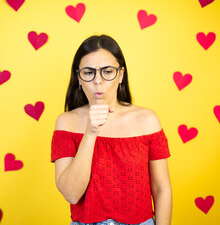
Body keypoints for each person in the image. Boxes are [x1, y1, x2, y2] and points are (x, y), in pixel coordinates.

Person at [51, 35, 172, 225]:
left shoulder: (147, 120)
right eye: (89, 72)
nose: (98, 81)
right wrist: (90, 133)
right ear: (79, 77)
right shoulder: (66, 122)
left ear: (121, 75)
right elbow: (71, 194)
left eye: (107, 71)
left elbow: (161, 189)